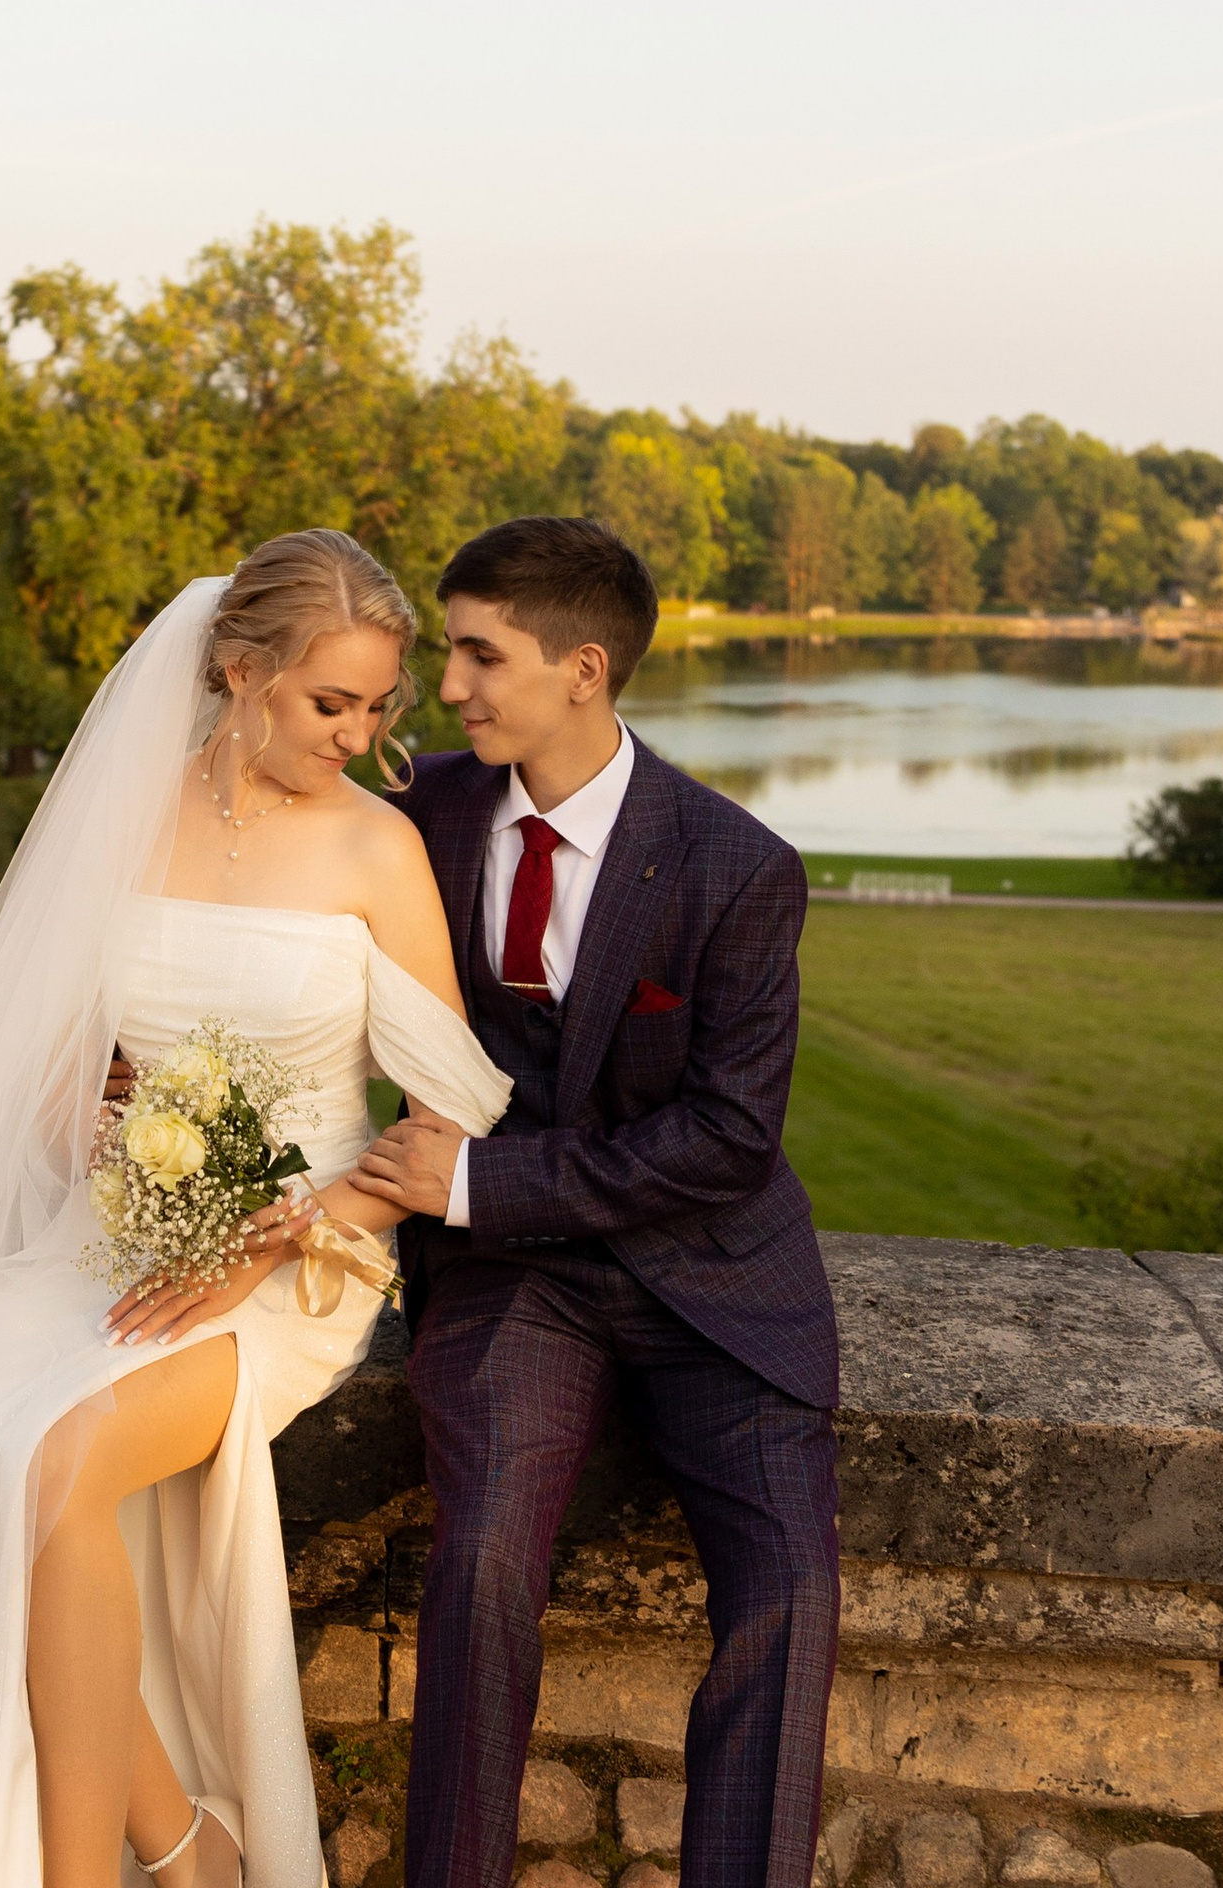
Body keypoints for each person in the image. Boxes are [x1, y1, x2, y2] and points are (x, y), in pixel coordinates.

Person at [0, 530, 512, 1888]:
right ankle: (184, 1847)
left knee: (54, 1464)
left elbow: (450, 1121)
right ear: (240, 673)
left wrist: (280, 1230)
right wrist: (117, 1148)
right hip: (117, 1235)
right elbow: (48, 1060)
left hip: (303, 1267)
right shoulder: (121, 813)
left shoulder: (379, 848)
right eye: (331, 704)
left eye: (380, 706)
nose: (359, 735)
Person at [359, 515, 841, 1888]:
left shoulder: (734, 864)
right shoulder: (427, 817)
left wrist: (476, 1178)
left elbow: (731, 1140)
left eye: (476, 654)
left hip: (715, 1282)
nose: (447, 687)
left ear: (584, 668)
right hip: (521, 1281)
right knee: (486, 1555)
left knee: (793, 1592)